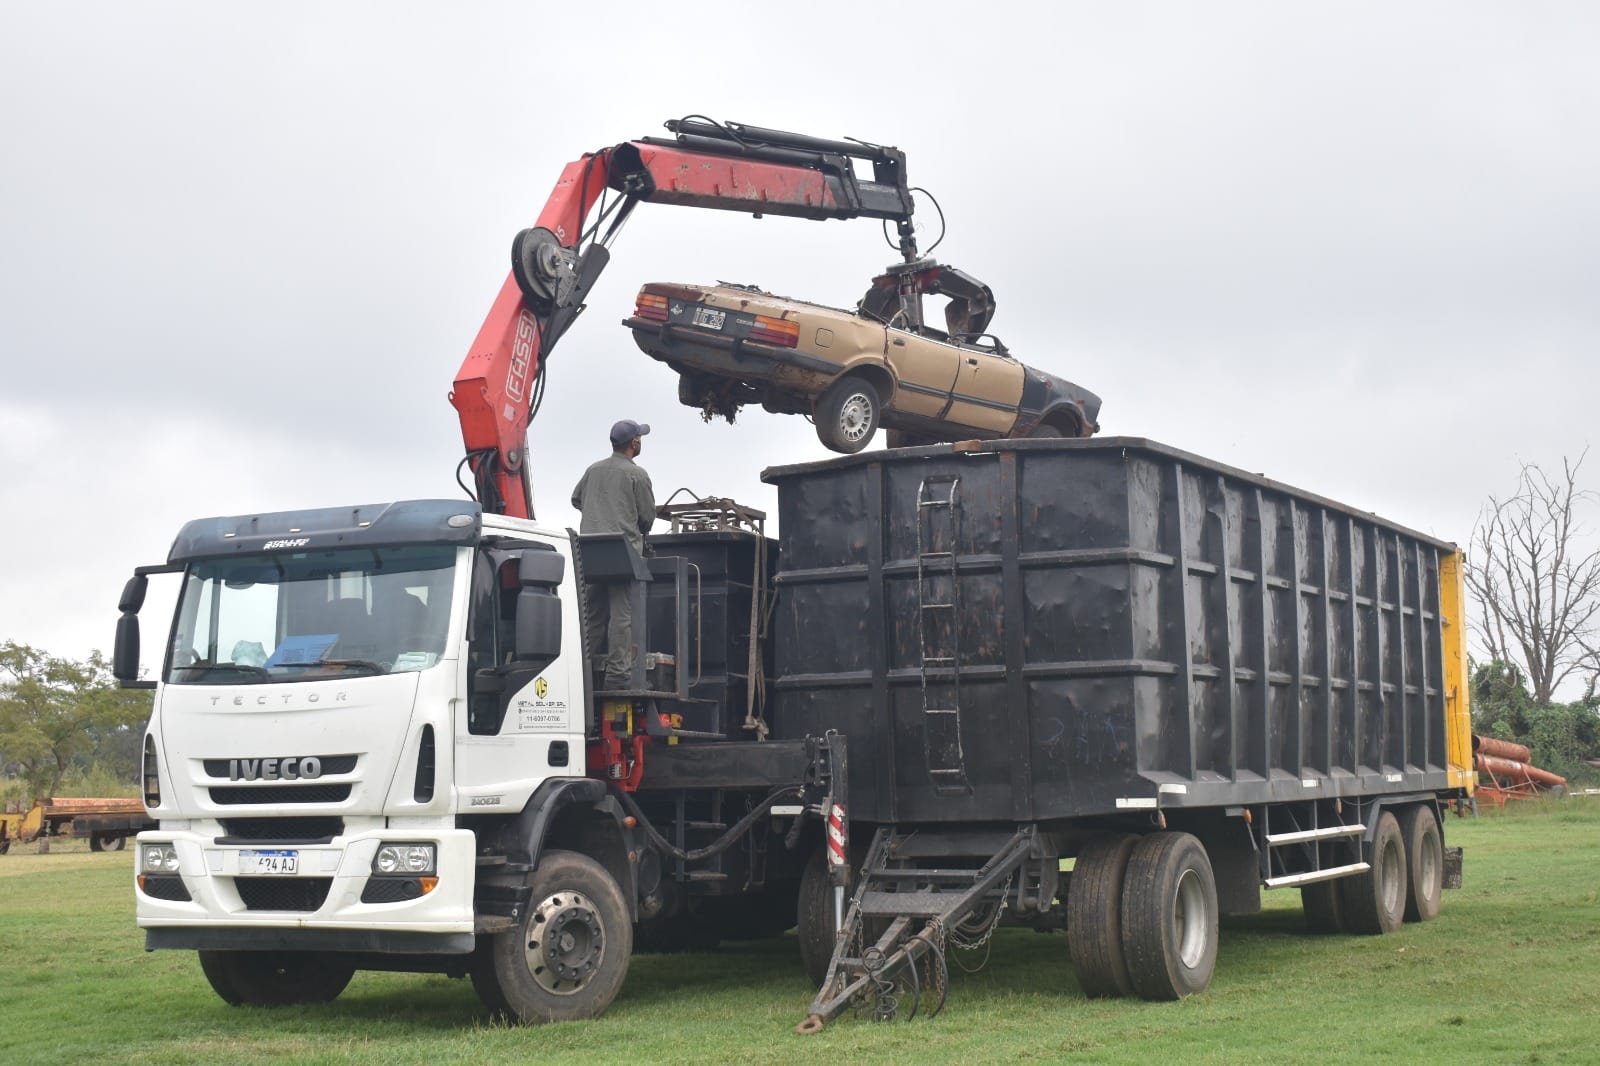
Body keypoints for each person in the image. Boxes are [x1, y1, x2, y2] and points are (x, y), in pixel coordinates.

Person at [571, 419, 657, 689]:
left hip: (590, 552)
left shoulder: (592, 470)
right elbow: (646, 518)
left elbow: (576, 499)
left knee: (592, 616)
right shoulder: (637, 474)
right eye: (640, 437)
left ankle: (582, 674)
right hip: (622, 553)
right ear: (634, 443)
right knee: (622, 615)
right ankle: (617, 675)